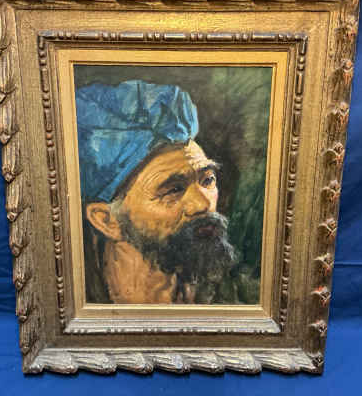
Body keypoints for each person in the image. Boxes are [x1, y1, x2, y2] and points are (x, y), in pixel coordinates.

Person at [76, 80, 252, 304]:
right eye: (174, 190)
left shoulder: (240, 296)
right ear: (107, 221)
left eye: (207, 180)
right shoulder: (79, 299)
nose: (204, 204)